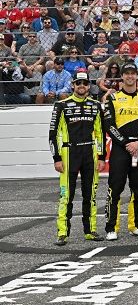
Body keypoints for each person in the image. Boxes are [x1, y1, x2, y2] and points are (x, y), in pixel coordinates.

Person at [102, 62, 138, 240]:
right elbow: (109, 125)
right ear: (122, 76)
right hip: (120, 149)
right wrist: (126, 143)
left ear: (137, 77)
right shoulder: (114, 98)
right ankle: (112, 227)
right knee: (115, 188)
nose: (130, 76)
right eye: (127, 73)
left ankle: (136, 225)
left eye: (133, 73)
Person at [50, 71, 104, 245]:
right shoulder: (61, 105)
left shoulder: (95, 105)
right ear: (73, 85)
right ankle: (63, 233)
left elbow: (100, 133)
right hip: (68, 154)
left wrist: (101, 156)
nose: (82, 86)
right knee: (66, 195)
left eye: (85, 83)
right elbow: (52, 135)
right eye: (78, 83)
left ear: (89, 86)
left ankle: (90, 230)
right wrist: (56, 158)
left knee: (91, 195)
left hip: (89, 153)